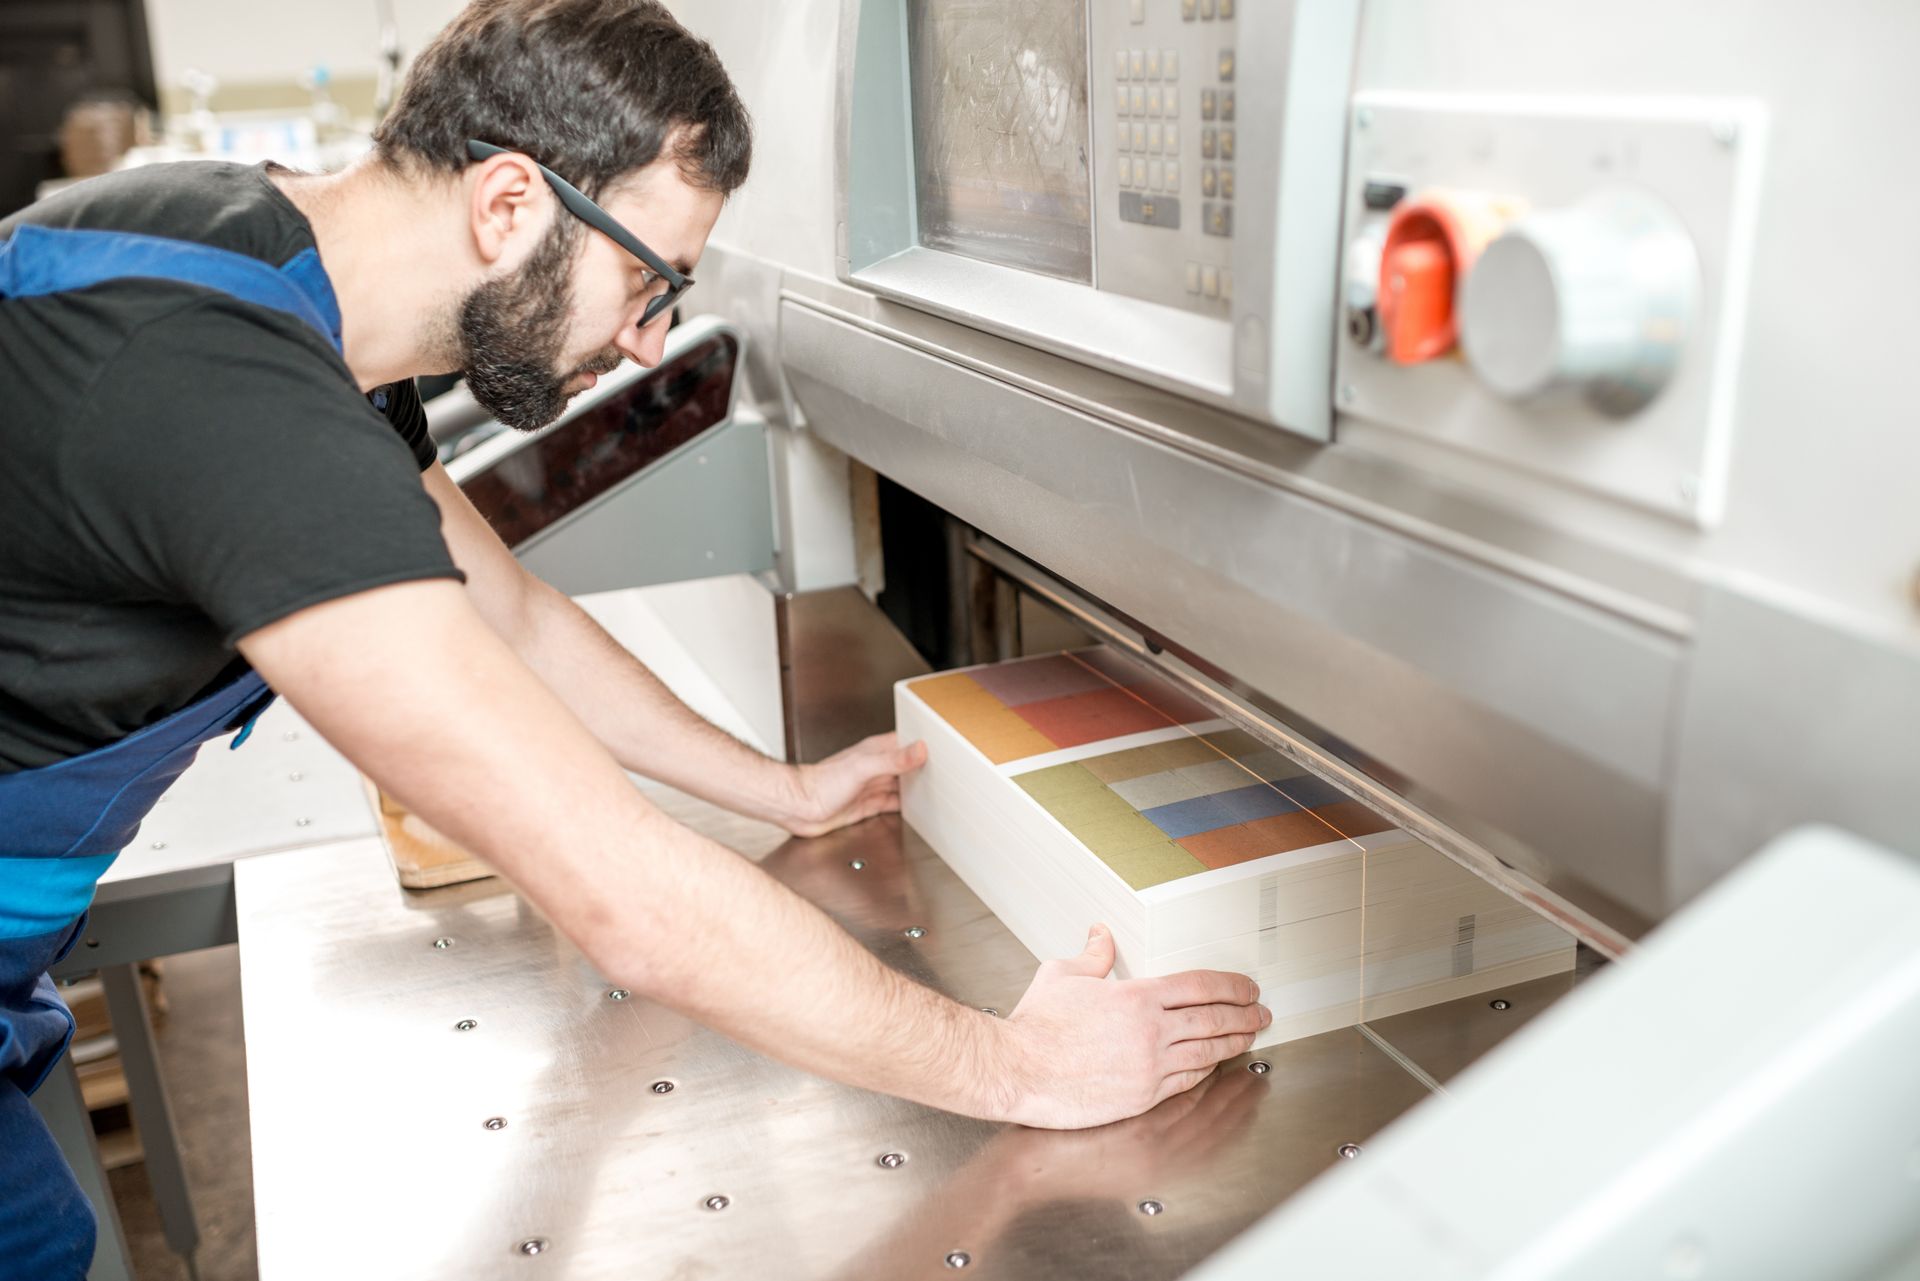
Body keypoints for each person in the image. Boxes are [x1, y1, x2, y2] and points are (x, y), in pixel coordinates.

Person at [0, 1, 1269, 1273]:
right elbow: (623, 904)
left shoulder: (281, 274)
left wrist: (783, 789)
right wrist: (1017, 1063)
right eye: (649, 281)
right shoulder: (224, 384)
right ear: (508, 206)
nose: (647, 341)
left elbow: (516, 620)